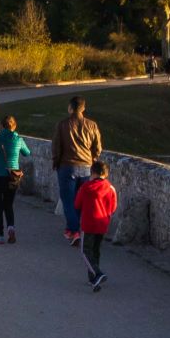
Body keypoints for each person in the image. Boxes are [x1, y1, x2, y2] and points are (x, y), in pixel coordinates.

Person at [48, 96, 103, 247]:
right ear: (83, 108)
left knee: (68, 200)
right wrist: (93, 158)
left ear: (70, 108)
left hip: (67, 166)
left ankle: (74, 231)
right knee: (80, 201)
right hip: (86, 167)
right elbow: (97, 147)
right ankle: (75, 228)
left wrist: (55, 161)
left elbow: (56, 146)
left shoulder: (63, 125)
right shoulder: (92, 125)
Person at [75, 159, 118, 290]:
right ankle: (93, 278)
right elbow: (113, 207)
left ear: (92, 172)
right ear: (106, 174)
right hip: (102, 223)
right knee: (95, 250)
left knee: (85, 251)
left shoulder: (86, 187)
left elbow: (77, 204)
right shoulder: (110, 188)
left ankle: (97, 273)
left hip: (88, 223)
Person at [0, 113, 30, 244]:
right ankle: (11, 228)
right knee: (8, 204)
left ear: (1, 126)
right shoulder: (19, 140)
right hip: (12, 177)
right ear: (14, 126)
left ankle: (0, 235)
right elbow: (27, 153)